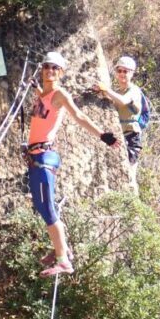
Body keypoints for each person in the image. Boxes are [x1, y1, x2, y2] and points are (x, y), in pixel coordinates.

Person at [26, 51, 119, 277]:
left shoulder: (60, 94)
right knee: (42, 207)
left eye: (55, 68)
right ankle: (61, 247)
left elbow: (78, 116)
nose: (50, 70)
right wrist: (35, 89)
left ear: (62, 72)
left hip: (44, 157)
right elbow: (43, 105)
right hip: (36, 156)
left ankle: (63, 261)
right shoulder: (45, 93)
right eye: (47, 66)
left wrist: (102, 135)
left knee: (47, 209)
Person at [94, 56, 144, 180]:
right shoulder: (118, 91)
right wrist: (101, 92)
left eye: (125, 71)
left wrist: (106, 90)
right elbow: (113, 101)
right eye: (119, 71)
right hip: (119, 137)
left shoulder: (134, 90)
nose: (122, 74)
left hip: (132, 137)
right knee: (120, 174)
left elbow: (123, 102)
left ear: (131, 73)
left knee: (129, 173)